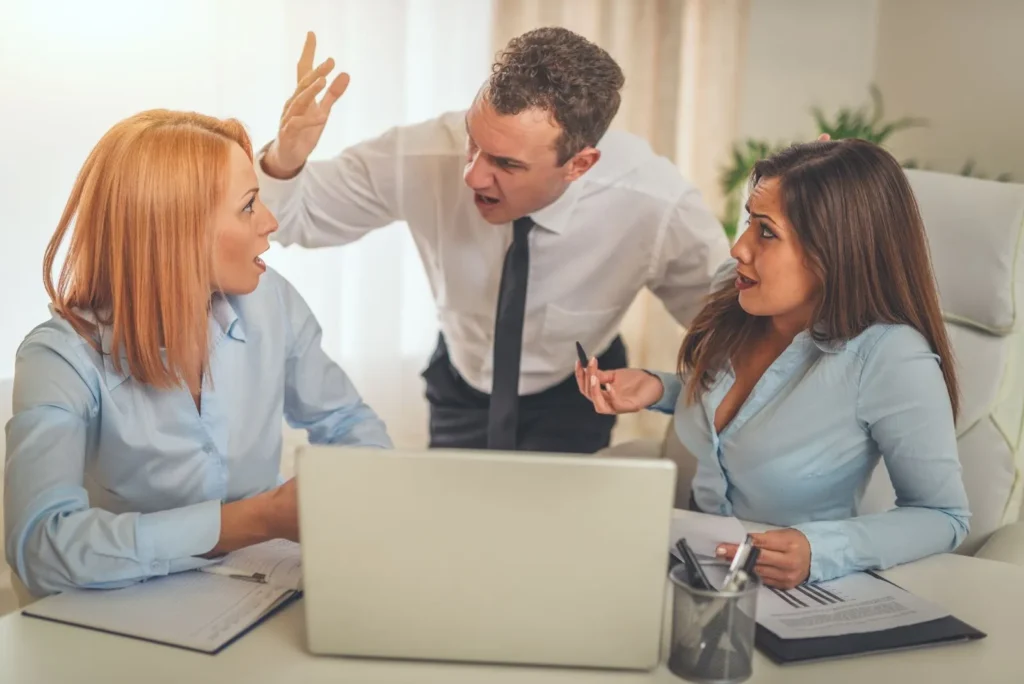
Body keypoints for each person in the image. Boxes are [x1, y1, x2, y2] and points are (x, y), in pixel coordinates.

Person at [255, 28, 731, 454]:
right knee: (455, 518)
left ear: (579, 165)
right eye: (473, 141)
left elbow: (733, 328)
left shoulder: (655, 204)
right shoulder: (419, 155)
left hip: (574, 392)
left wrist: (670, 391)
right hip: (461, 379)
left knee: (549, 523)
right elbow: (293, 218)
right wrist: (285, 158)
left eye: (506, 164)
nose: (472, 175)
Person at [4, 110, 391, 597]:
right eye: (249, 206)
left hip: (265, 585)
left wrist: (366, 499)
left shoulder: (271, 301)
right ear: (176, 231)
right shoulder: (60, 358)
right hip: (124, 607)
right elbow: (40, 546)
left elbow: (347, 422)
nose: (270, 222)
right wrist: (254, 520)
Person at [576, 139, 971, 588]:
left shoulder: (891, 357)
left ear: (834, 251)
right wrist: (660, 388)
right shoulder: (736, 292)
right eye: (749, 220)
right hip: (689, 564)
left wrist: (820, 549)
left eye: (766, 232)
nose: (738, 249)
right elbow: (733, 401)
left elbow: (942, 515)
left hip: (796, 591)